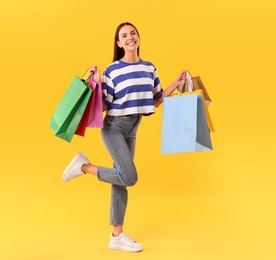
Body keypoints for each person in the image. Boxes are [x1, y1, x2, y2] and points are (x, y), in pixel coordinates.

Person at [62, 22, 187, 252]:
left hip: (133, 128)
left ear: (138, 38)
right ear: (119, 43)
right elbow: (103, 107)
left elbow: (156, 101)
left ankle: (116, 235)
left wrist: (175, 84)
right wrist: (97, 83)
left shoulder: (149, 68)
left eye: (133, 33)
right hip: (114, 127)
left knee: (120, 180)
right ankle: (84, 167)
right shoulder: (113, 70)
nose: (130, 37)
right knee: (129, 177)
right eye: (124, 35)